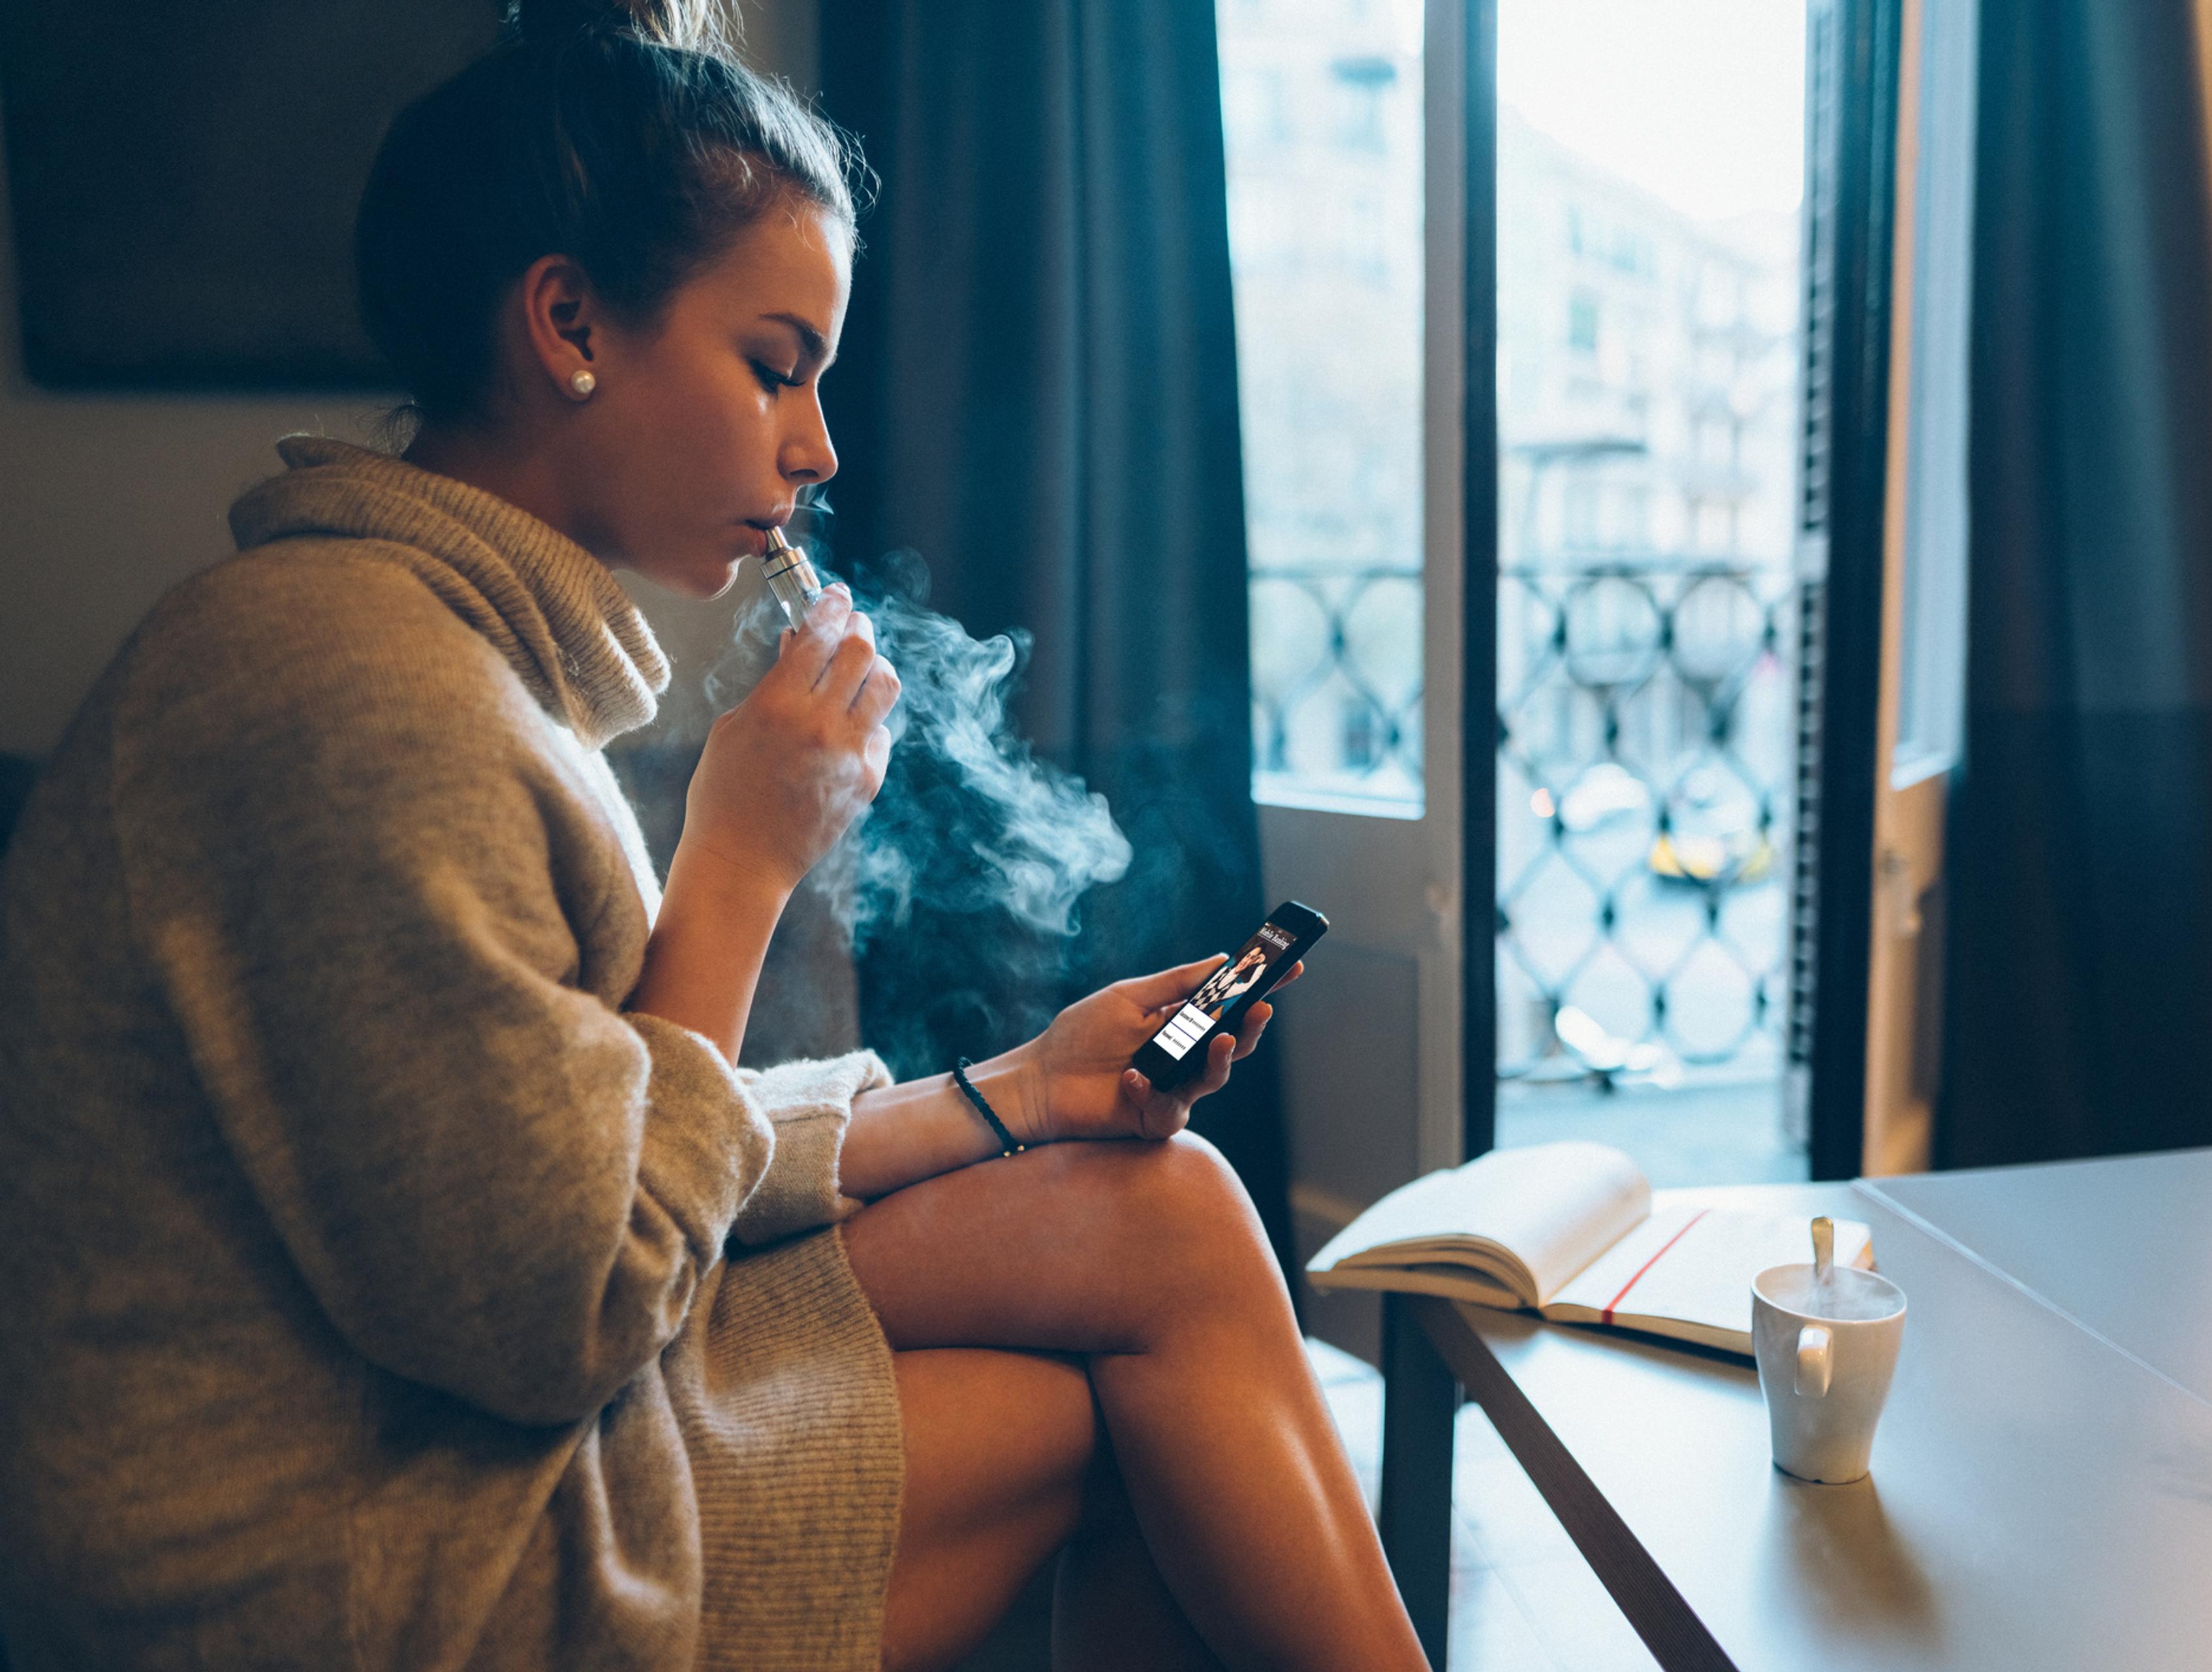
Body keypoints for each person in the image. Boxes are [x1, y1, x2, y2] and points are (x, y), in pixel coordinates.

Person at [0, 1, 1430, 1667]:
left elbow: (575, 1146)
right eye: (776, 366)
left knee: (1158, 1204)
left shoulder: (431, 654)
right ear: (568, 321)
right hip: (332, 1550)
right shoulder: (359, 692)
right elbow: (569, 1306)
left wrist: (1026, 1092)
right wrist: (738, 865)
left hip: (441, 1410)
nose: (818, 448)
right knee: (1109, 1422)